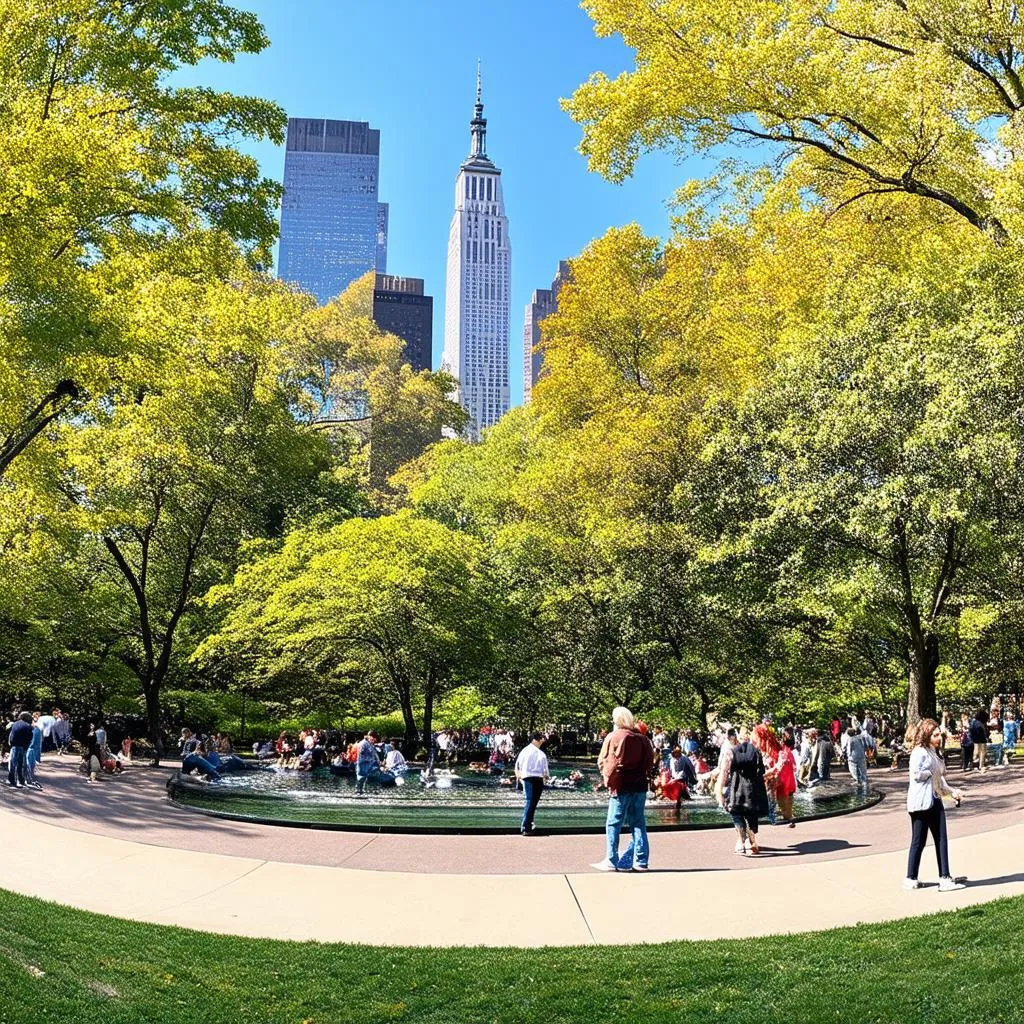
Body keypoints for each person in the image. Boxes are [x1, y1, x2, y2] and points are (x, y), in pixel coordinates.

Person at [591, 707, 656, 872]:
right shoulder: (642, 739)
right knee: (638, 822)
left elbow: (606, 761)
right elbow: (650, 762)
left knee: (613, 823)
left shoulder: (614, 737)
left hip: (621, 785)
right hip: (640, 785)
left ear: (616, 720)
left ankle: (611, 860)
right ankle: (641, 861)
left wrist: (606, 779)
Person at [904, 718, 965, 891]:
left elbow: (940, 781)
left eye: (939, 734)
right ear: (926, 735)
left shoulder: (933, 752)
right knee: (925, 841)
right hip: (923, 803)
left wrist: (952, 792)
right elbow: (916, 774)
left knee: (933, 840)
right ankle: (943, 879)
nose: (939, 738)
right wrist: (930, 773)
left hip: (933, 799)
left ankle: (912, 878)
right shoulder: (920, 752)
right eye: (935, 735)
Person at [718, 726, 769, 855]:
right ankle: (752, 842)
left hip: (737, 788)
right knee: (751, 815)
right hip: (752, 789)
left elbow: (724, 772)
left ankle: (741, 841)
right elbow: (762, 772)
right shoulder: (756, 752)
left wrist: (719, 791)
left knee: (736, 814)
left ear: (737, 737)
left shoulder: (731, 752)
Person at [514, 732, 549, 835]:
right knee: (531, 802)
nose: (544, 740)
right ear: (537, 739)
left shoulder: (525, 751)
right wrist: (546, 777)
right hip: (536, 778)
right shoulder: (540, 753)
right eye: (542, 738)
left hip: (527, 777)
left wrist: (519, 777)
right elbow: (545, 770)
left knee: (531, 802)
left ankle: (529, 823)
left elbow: (518, 765)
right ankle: (526, 826)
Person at [7, 712, 33, 788]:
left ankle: (12, 780)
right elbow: (29, 738)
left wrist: (11, 744)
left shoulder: (15, 724)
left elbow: (12, 735)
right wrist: (26, 747)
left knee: (13, 764)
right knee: (21, 765)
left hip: (14, 746)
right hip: (22, 747)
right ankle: (21, 780)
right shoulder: (28, 726)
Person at [845, 725, 873, 792]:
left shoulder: (850, 740)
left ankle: (858, 781)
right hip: (861, 755)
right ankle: (864, 782)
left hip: (853, 757)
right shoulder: (860, 737)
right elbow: (865, 745)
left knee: (853, 769)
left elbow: (849, 750)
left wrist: (848, 756)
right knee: (863, 770)